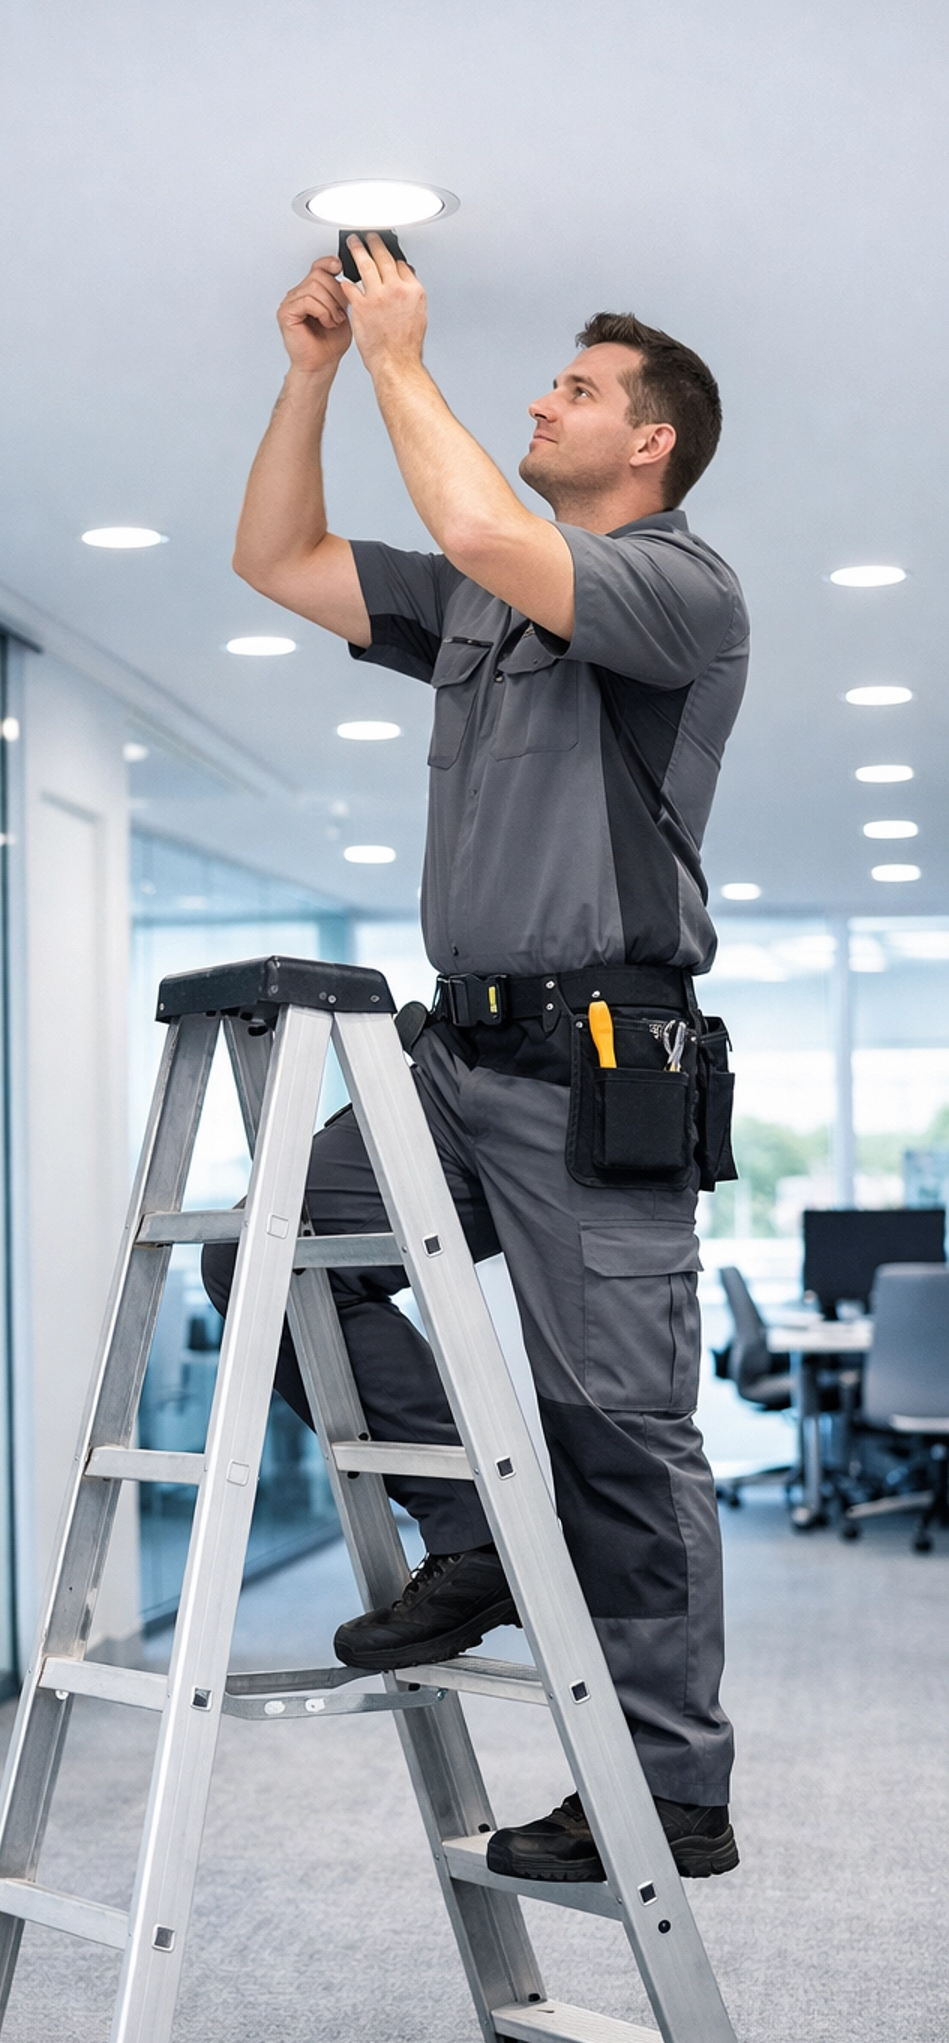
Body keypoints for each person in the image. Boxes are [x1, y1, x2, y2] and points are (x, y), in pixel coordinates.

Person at [203, 231, 748, 1887]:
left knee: (618, 1430)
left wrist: (397, 351)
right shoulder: (479, 603)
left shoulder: (683, 589)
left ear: (650, 440)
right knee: (268, 1259)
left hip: (600, 1064)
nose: (542, 401)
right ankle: (476, 1534)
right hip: (452, 1056)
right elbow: (277, 557)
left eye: (575, 388)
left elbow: (481, 526)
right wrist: (311, 374)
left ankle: (671, 1791)